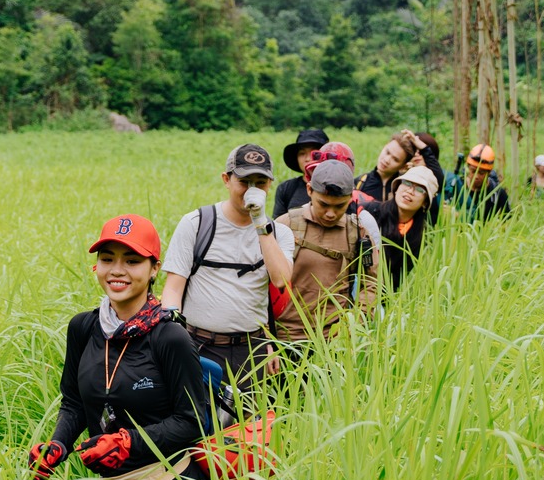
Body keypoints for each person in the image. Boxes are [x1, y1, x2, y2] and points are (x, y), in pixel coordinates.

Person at [30, 214, 205, 480]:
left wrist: (128, 443)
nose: (117, 270)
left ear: (154, 269)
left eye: (132, 261)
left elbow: (191, 420)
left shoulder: (170, 337)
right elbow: (74, 403)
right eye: (107, 259)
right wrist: (58, 445)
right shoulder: (83, 329)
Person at [161, 143, 296, 381]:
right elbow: (173, 288)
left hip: (252, 349)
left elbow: (281, 280)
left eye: (260, 183)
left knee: (253, 407)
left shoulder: (279, 233)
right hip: (199, 344)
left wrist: (260, 223)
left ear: (269, 185)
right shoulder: (197, 223)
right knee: (198, 406)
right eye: (244, 182)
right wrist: (174, 339)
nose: (252, 190)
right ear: (226, 179)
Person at [272, 158, 380, 360]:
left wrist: (355, 323)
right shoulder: (286, 225)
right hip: (284, 339)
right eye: (323, 204)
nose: (331, 214)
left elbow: (371, 283)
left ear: (350, 198)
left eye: (340, 206)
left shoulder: (357, 233)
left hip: (333, 343)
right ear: (309, 190)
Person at [378, 164, 436, 289]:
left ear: (425, 202)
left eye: (420, 189)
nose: (410, 191)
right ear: (397, 187)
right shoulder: (372, 213)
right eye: (407, 183)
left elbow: (397, 280)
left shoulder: (419, 239)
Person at [446, 143, 511, 221]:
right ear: (468, 168)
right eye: (473, 171)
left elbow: (507, 222)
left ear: (489, 172)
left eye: (481, 173)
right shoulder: (457, 187)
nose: (476, 176)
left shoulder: (498, 194)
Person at [274, 127, 330, 215]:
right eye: (302, 153)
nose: (308, 159)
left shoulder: (340, 186)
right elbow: (278, 222)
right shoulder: (286, 189)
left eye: (314, 153)